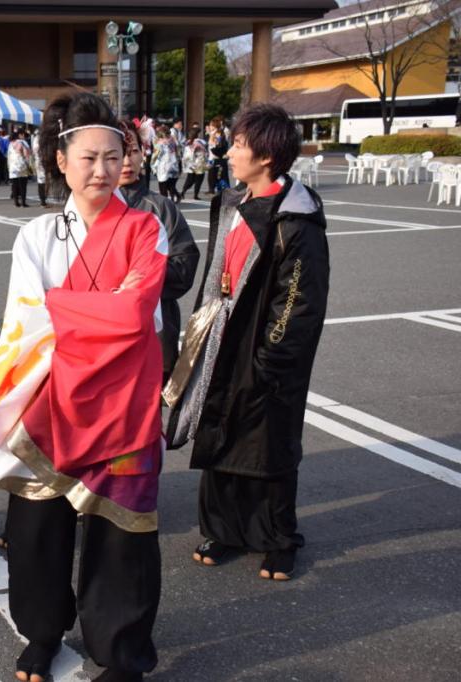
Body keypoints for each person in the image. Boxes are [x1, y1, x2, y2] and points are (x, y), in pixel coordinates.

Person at [0, 91, 168, 682]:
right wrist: (95, 313)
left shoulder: (145, 226)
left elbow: (138, 314)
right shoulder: (34, 235)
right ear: (61, 161)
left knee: (120, 531)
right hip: (50, 401)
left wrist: (65, 309)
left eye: (113, 156)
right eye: (88, 157)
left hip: (123, 403)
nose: (102, 170)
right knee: (38, 526)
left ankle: (123, 649)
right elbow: (25, 323)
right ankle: (42, 632)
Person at [165, 103, 330, 583]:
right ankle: (224, 529)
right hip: (221, 335)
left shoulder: (296, 220)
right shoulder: (234, 202)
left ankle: (279, 538)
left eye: (239, 143)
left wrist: (268, 358)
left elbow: (298, 302)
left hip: (264, 348)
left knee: (268, 443)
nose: (230, 150)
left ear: (266, 156)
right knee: (221, 432)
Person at [117, 120, 200, 384]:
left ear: (144, 152)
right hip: (102, 337)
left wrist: (140, 279)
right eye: (118, 152)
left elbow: (184, 264)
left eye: (133, 151)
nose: (127, 161)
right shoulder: (88, 209)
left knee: (149, 417)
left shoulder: (161, 207)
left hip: (156, 334)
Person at [151, 125, 181, 202]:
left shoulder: (160, 143)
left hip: (163, 166)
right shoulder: (173, 141)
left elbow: (155, 156)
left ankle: (165, 201)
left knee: (163, 185)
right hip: (173, 165)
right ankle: (174, 198)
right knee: (171, 185)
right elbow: (178, 153)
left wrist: (152, 165)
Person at [7, 129, 34, 207]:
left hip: (12, 166)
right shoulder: (22, 142)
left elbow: (8, 156)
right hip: (22, 166)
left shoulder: (10, 144)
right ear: (20, 135)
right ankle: (23, 202)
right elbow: (27, 154)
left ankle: (16, 202)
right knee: (23, 185)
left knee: (14, 185)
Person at [179, 137, 208, 201]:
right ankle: (195, 195)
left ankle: (183, 192)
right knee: (199, 180)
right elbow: (205, 150)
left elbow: (186, 154)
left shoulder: (187, 142)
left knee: (189, 180)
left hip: (191, 164)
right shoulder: (200, 142)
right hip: (199, 163)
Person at [30, 129, 48, 207]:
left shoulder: (38, 140)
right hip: (40, 161)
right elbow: (36, 151)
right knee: (41, 181)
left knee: (43, 181)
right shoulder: (37, 140)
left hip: (42, 161)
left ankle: (43, 199)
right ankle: (42, 200)